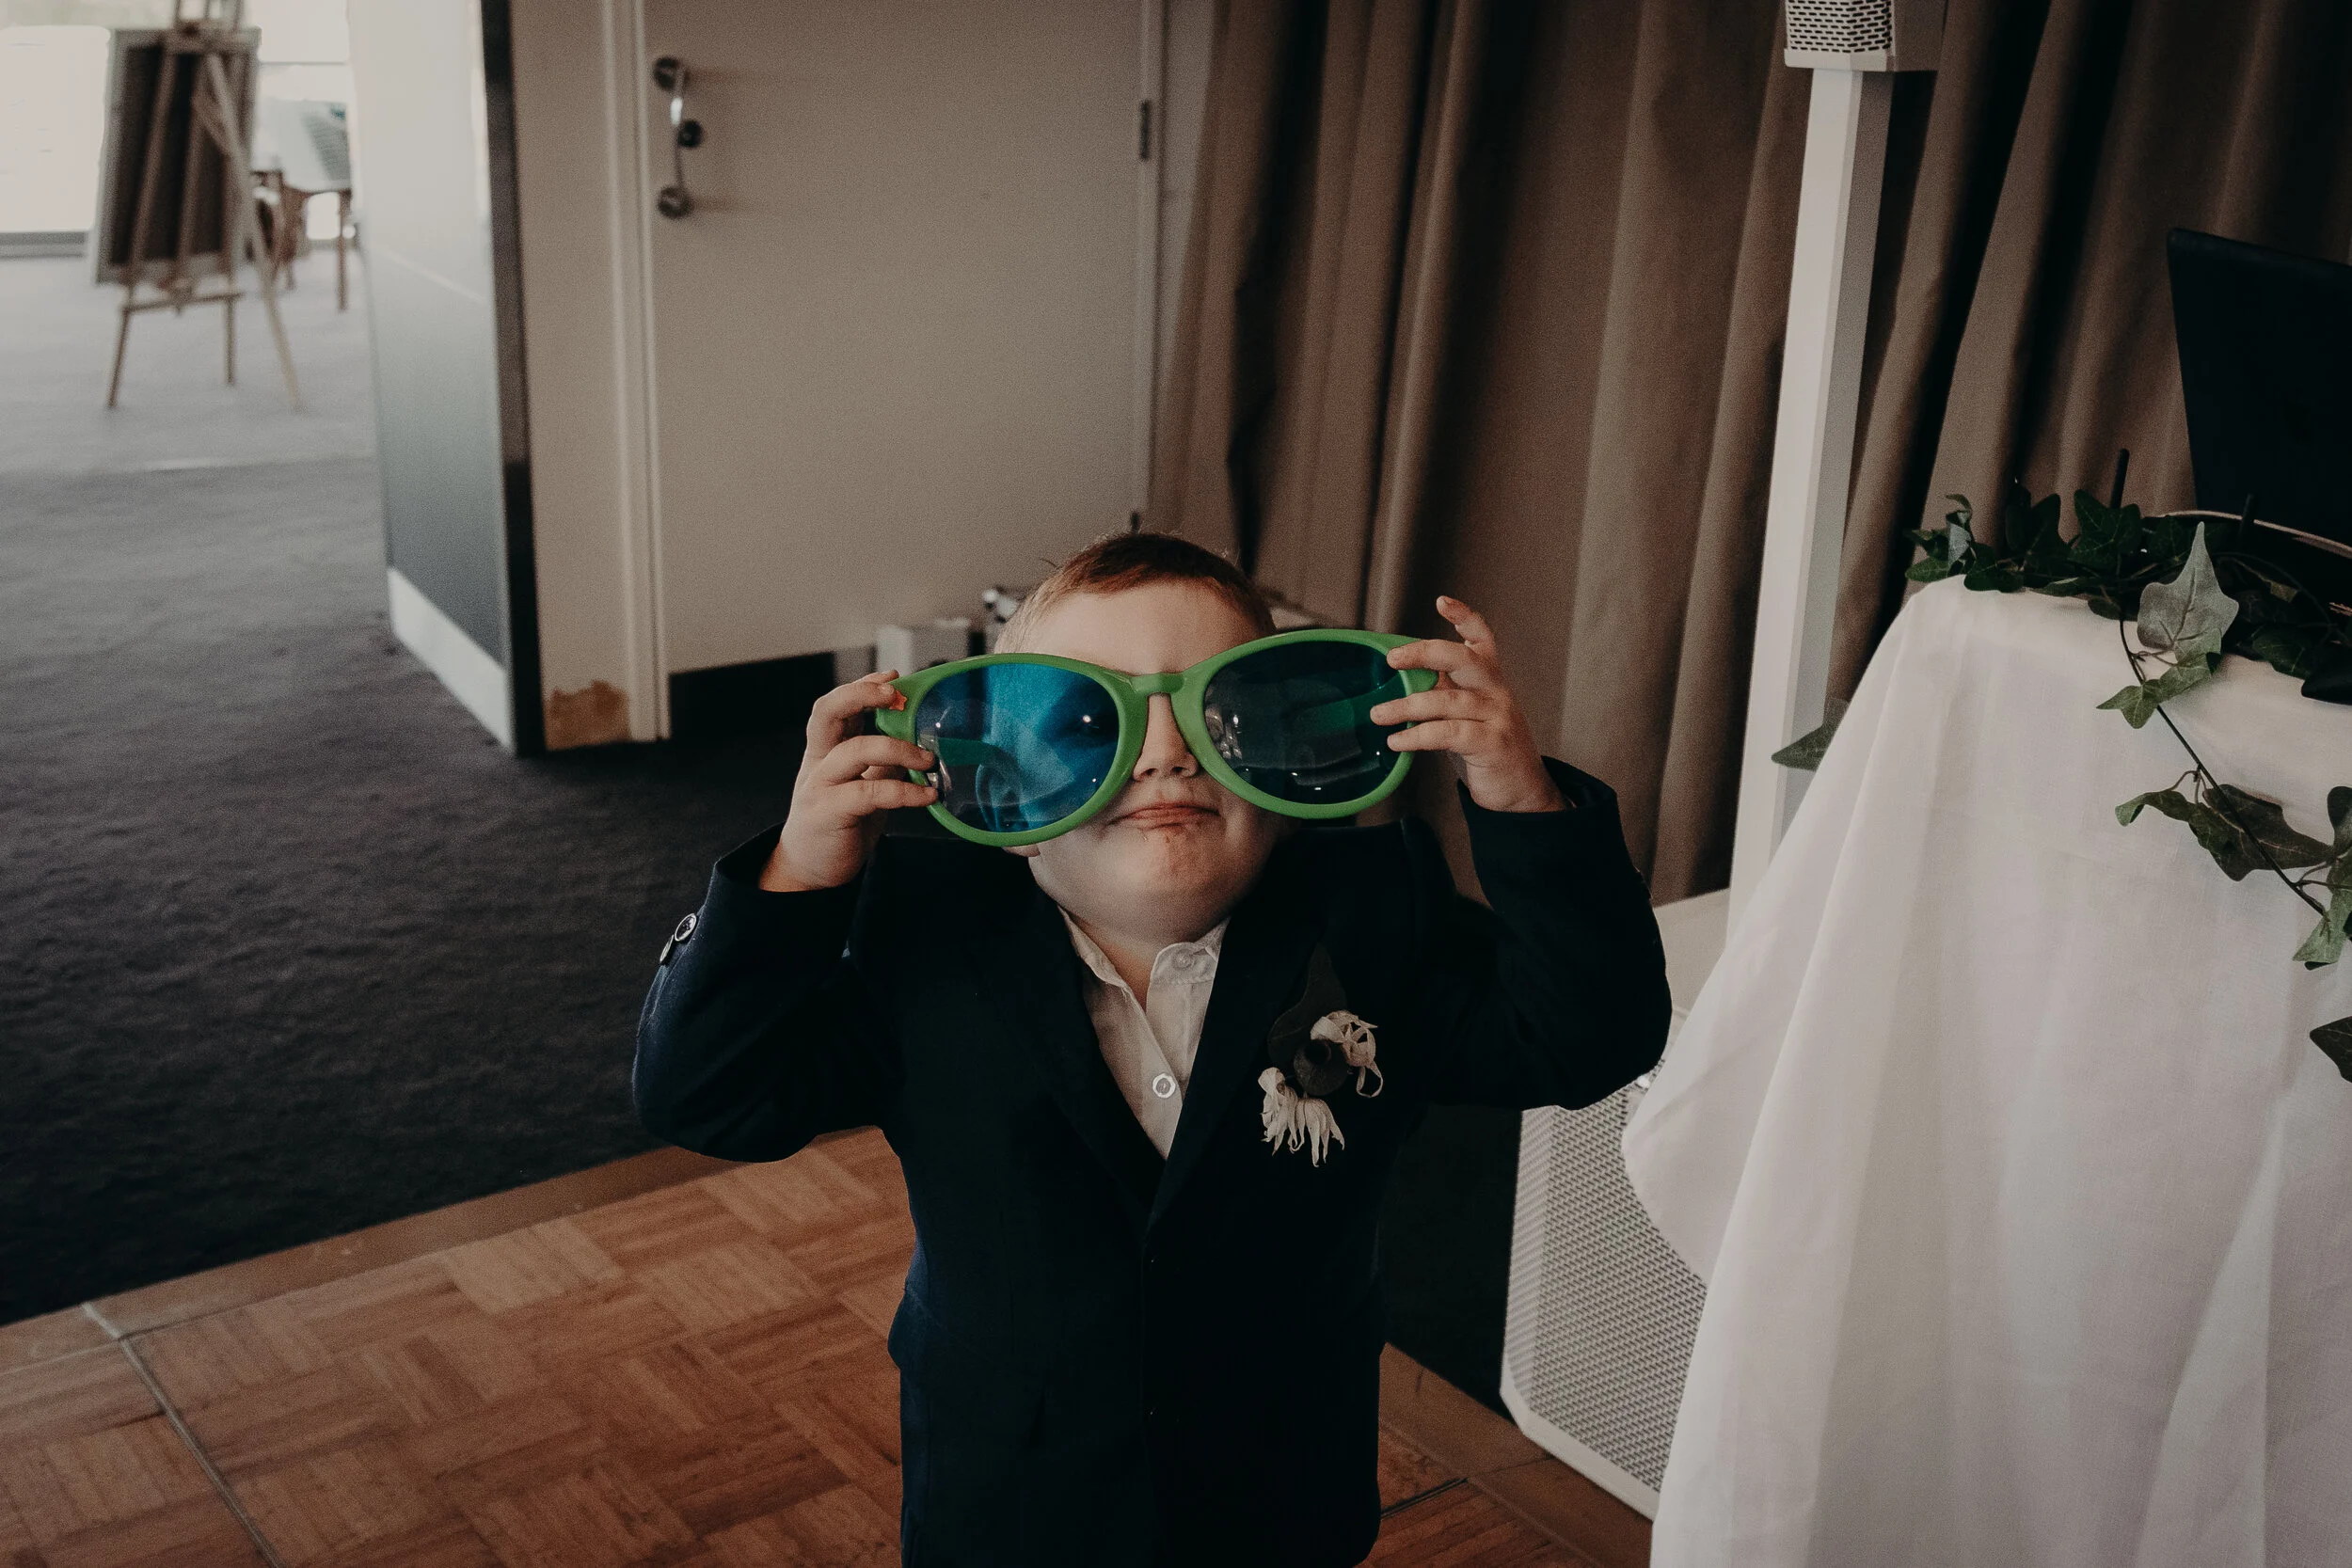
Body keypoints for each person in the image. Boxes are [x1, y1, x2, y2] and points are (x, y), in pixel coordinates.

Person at [632, 532, 1669, 1567]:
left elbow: (1591, 1035)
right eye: (1091, 721)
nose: (1166, 751)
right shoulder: (925, 938)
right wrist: (797, 876)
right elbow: (705, 1093)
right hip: (1014, 1499)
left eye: (1224, 717)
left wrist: (1522, 801)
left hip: (1280, 1483)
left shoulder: (1373, 917)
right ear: (1006, 797)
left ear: (1286, 779)